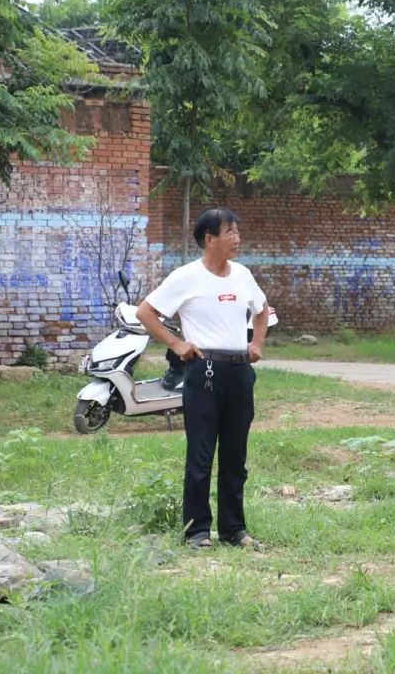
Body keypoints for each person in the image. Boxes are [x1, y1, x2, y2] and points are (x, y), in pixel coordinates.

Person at [136, 207, 269, 550]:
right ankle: (196, 531)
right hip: (204, 372)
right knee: (201, 453)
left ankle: (233, 529)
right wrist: (177, 344)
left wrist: (256, 343)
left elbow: (262, 310)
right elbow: (145, 313)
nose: (237, 238)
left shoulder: (242, 275)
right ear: (209, 239)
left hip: (239, 372)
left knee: (235, 456)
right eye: (229, 232)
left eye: (237, 231)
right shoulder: (186, 277)